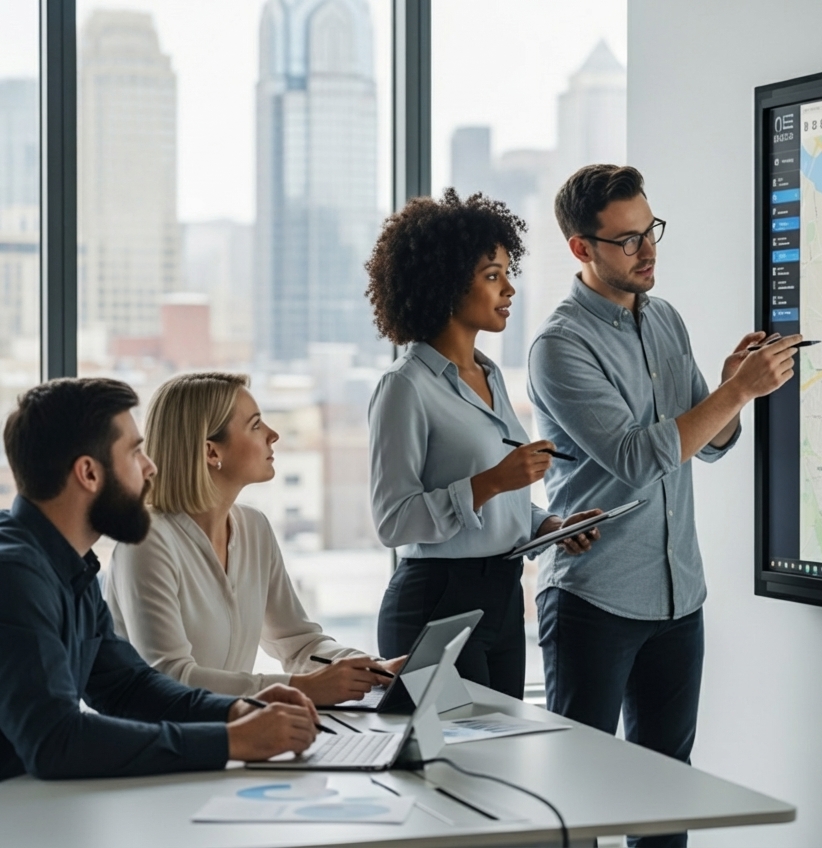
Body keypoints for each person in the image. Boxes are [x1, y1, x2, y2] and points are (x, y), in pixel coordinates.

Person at [527, 165, 800, 847]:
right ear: (582, 249)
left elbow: (708, 445)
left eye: (652, 231)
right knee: (580, 803)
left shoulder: (666, 319)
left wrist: (735, 388)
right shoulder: (559, 346)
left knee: (666, 795)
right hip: (597, 601)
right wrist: (733, 396)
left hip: (679, 598)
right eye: (627, 240)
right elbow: (636, 457)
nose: (648, 250)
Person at [0, 378, 319, 781]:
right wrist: (230, 742)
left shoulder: (69, 566)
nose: (150, 466)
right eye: (134, 452)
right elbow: (56, 741)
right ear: (88, 473)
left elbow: (127, 686)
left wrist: (236, 711)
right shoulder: (14, 576)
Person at [365, 189, 601, 700]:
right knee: (452, 767)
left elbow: (500, 500)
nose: (509, 289)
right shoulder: (405, 387)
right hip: (436, 602)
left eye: (507, 273)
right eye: (492, 276)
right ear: (446, 284)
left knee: (495, 763)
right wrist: (494, 480)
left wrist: (549, 525)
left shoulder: (490, 376)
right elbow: (392, 521)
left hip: (504, 596)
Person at [105, 373, 404, 705]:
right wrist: (302, 688)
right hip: (166, 744)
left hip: (230, 734)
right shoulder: (146, 540)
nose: (273, 435)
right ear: (210, 451)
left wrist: (375, 669)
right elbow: (170, 676)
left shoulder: (253, 527)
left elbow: (299, 642)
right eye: (256, 425)